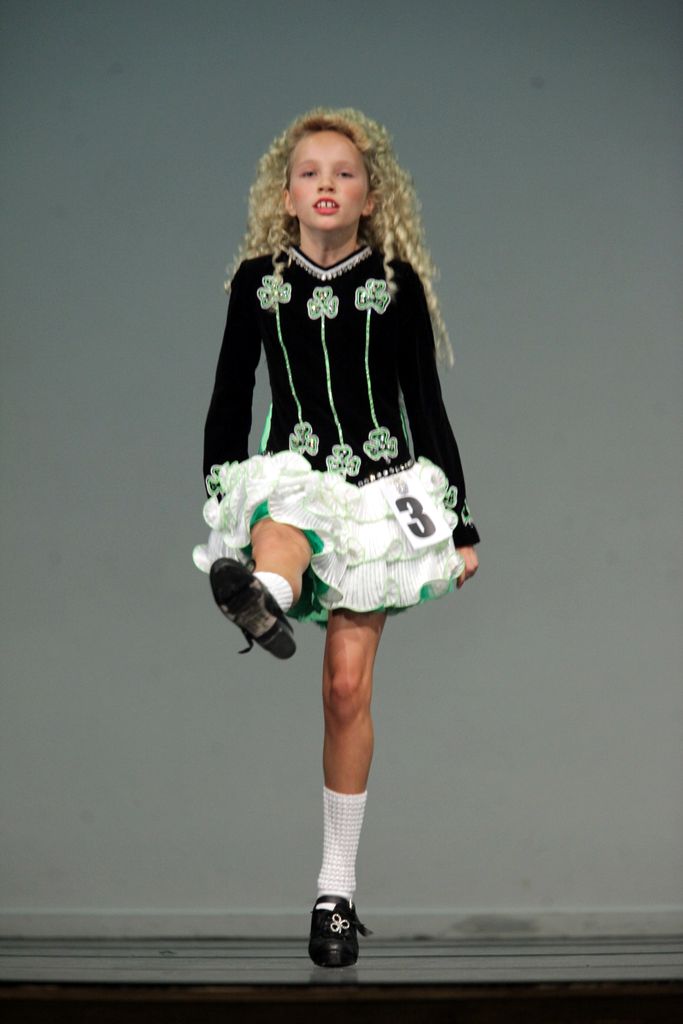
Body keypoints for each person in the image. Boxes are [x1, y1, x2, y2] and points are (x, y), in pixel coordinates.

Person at [193, 107, 480, 968]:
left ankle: (335, 893)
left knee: (345, 690)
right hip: (292, 472)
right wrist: (219, 491)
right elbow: (229, 393)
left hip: (377, 489)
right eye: (309, 172)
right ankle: (263, 595)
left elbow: (425, 403)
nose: (327, 183)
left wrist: (460, 522)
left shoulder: (396, 284)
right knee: (283, 528)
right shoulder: (257, 282)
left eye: (344, 172)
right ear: (284, 196)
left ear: (370, 195)